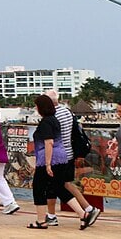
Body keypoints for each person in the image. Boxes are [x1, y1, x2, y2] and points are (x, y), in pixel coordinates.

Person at [28, 94, 90, 229]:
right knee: (59, 188)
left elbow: (49, 142)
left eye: (36, 106)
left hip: (49, 159)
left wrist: (48, 164)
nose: (35, 108)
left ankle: (41, 220)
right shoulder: (54, 120)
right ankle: (83, 214)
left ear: (41, 108)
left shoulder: (46, 122)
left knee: (38, 188)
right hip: (62, 157)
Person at [44, 89, 100, 228]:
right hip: (69, 153)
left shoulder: (52, 117)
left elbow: (50, 140)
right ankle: (88, 208)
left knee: (53, 186)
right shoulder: (67, 112)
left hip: (57, 156)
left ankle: (57, 215)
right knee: (67, 183)